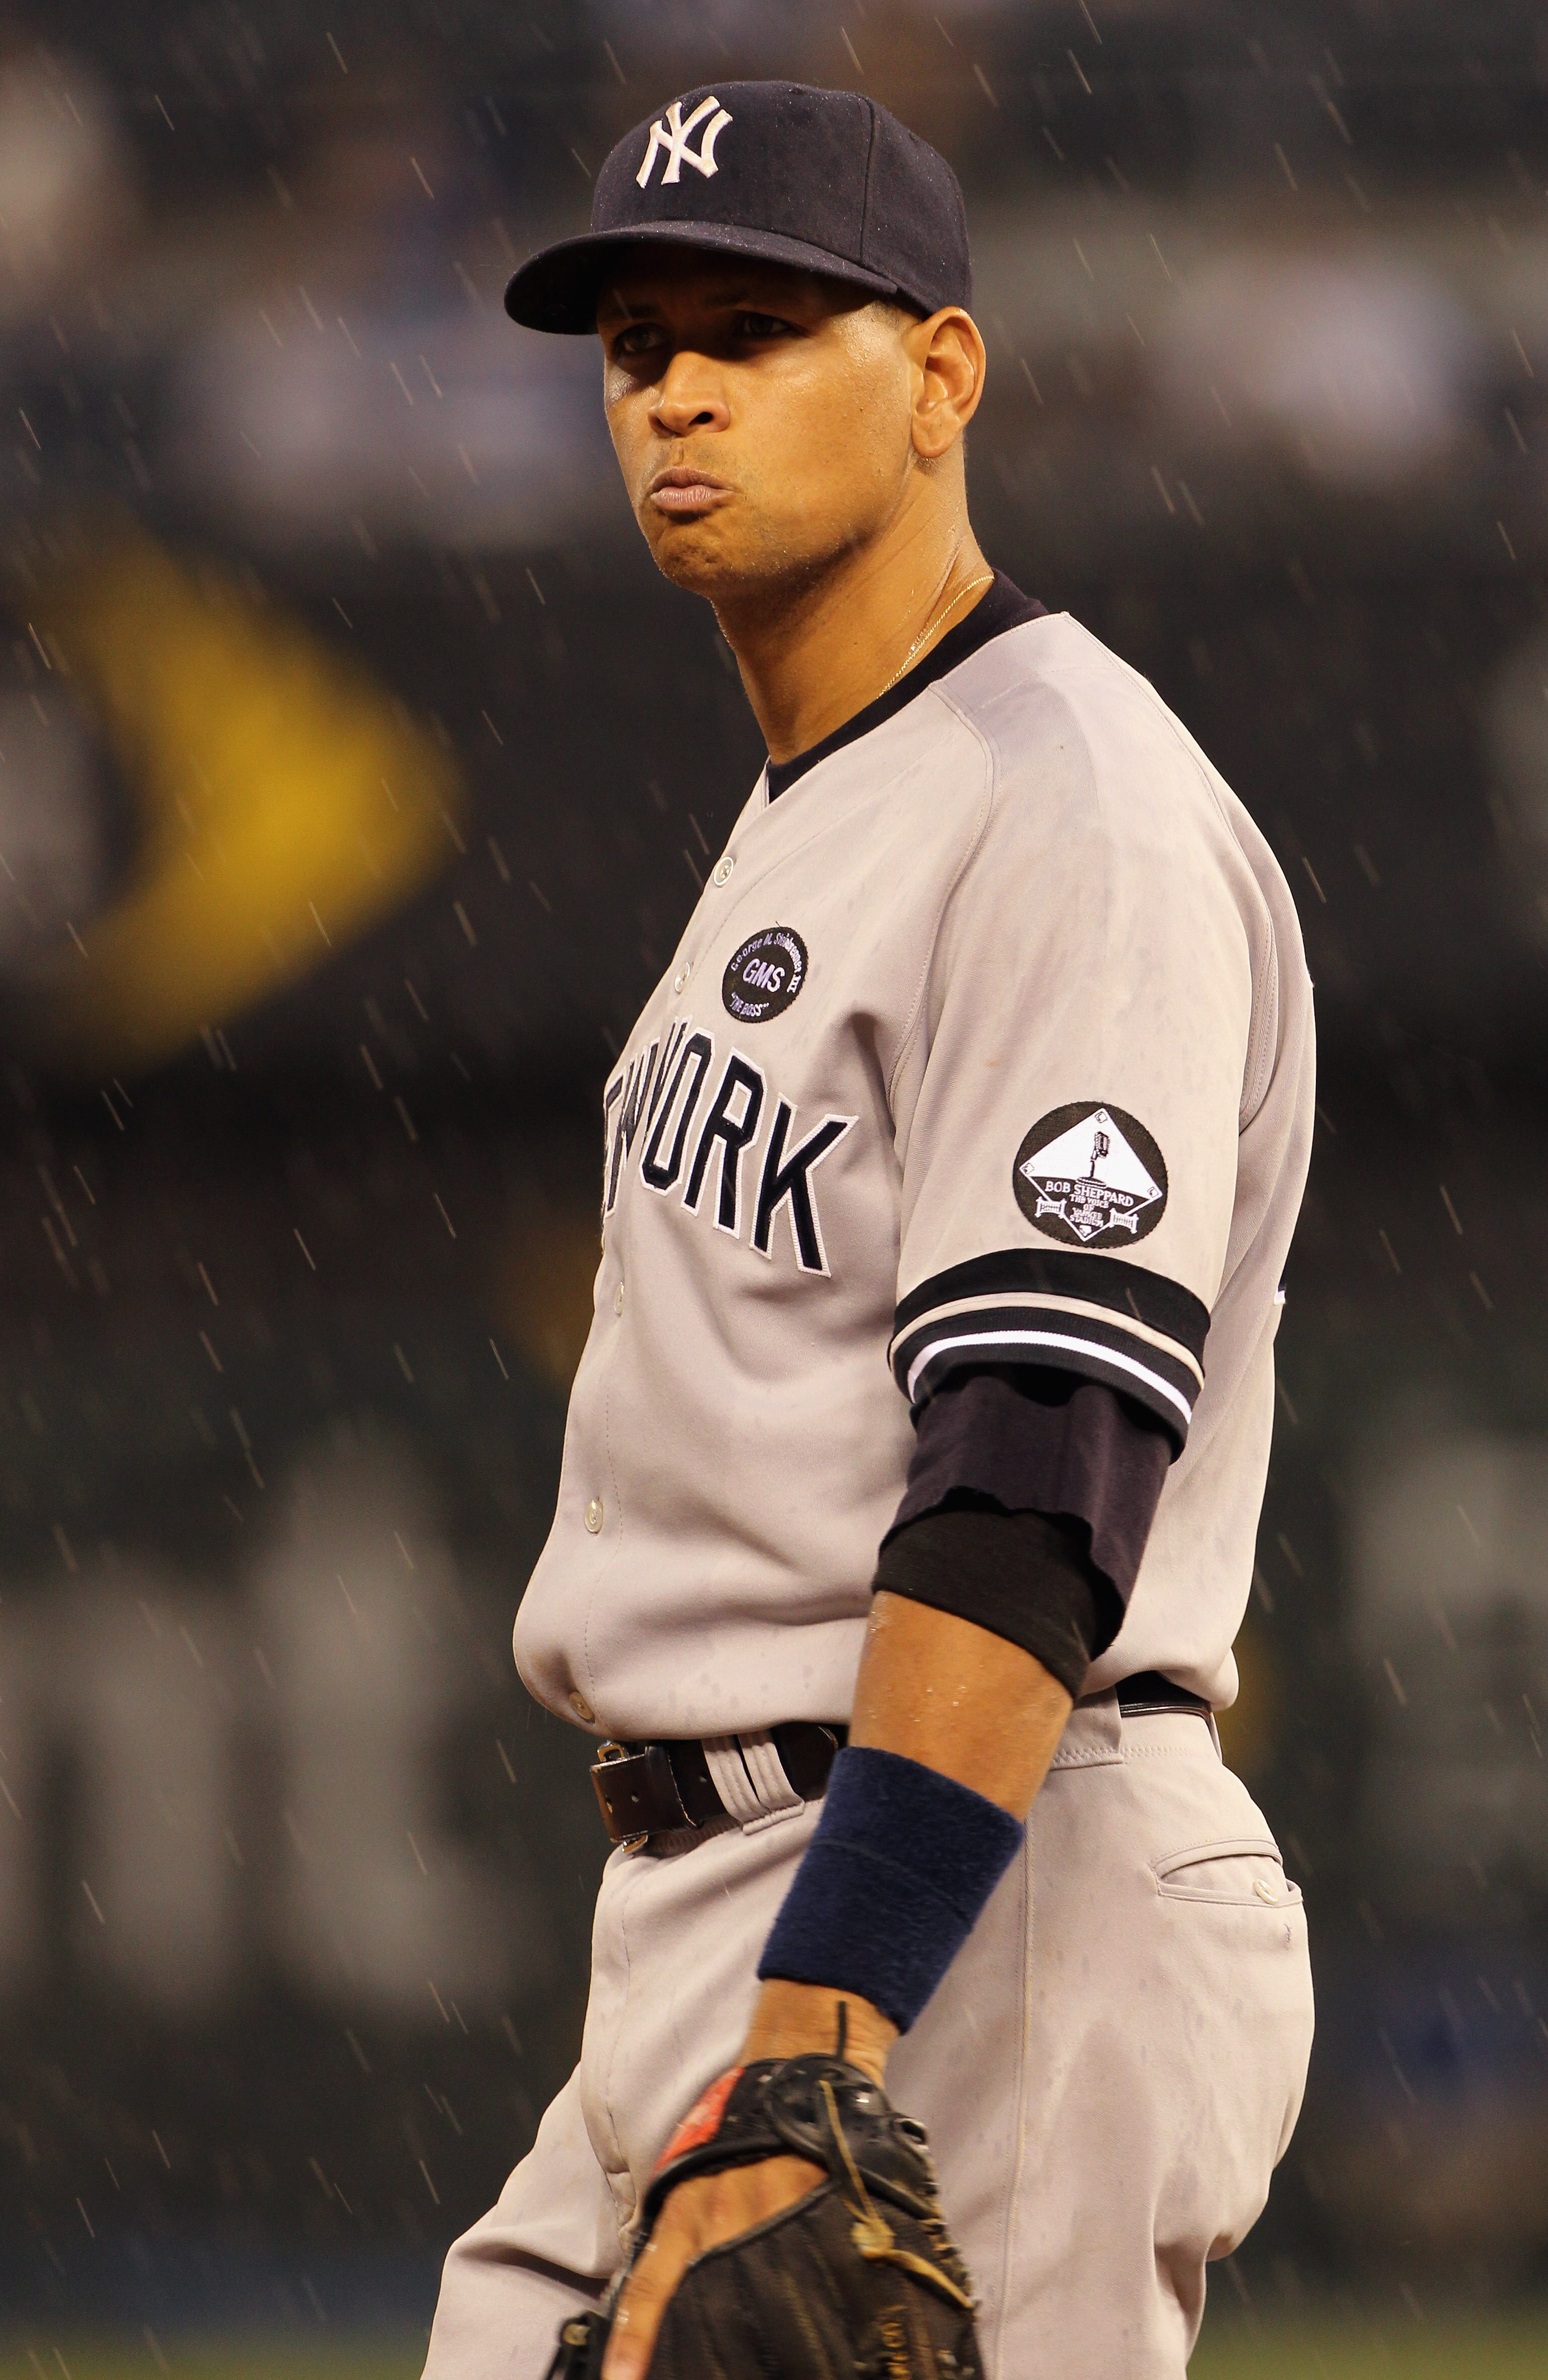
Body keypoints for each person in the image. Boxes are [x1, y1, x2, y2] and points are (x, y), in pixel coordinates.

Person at [424, 79, 1316, 2380]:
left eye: (756, 323)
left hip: (967, 1895)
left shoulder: (1066, 801)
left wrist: (825, 2039)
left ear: (943, 375)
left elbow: (1037, 1468)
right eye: (638, 343)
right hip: (767, 1902)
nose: (680, 388)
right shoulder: (833, 794)